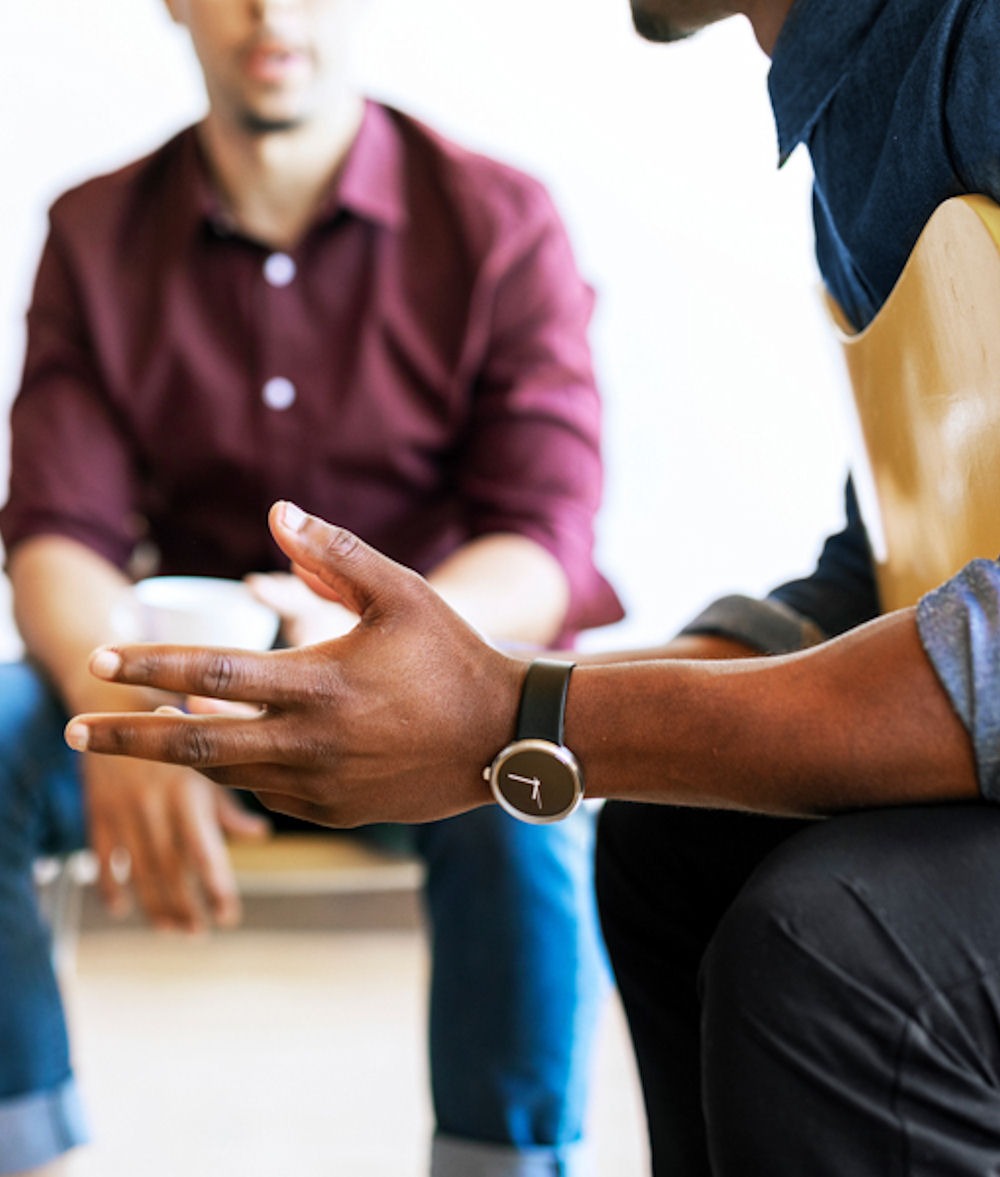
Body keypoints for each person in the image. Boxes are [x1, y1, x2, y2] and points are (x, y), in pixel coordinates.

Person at [66, 0, 1000, 1173]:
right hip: (179, 677)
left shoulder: (973, 60)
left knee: (829, 949)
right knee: (664, 830)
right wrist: (494, 699)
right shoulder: (858, 109)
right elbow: (901, 547)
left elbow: (543, 532)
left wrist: (512, 711)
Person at [0, 0, 626, 1173]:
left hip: (423, 701)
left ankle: (505, 1159)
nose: (272, 14)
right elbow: (55, 531)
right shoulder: (92, 231)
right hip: (181, 700)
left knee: (531, 770)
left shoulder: (498, 221)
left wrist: (379, 637)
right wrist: (132, 710)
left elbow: (541, 538)